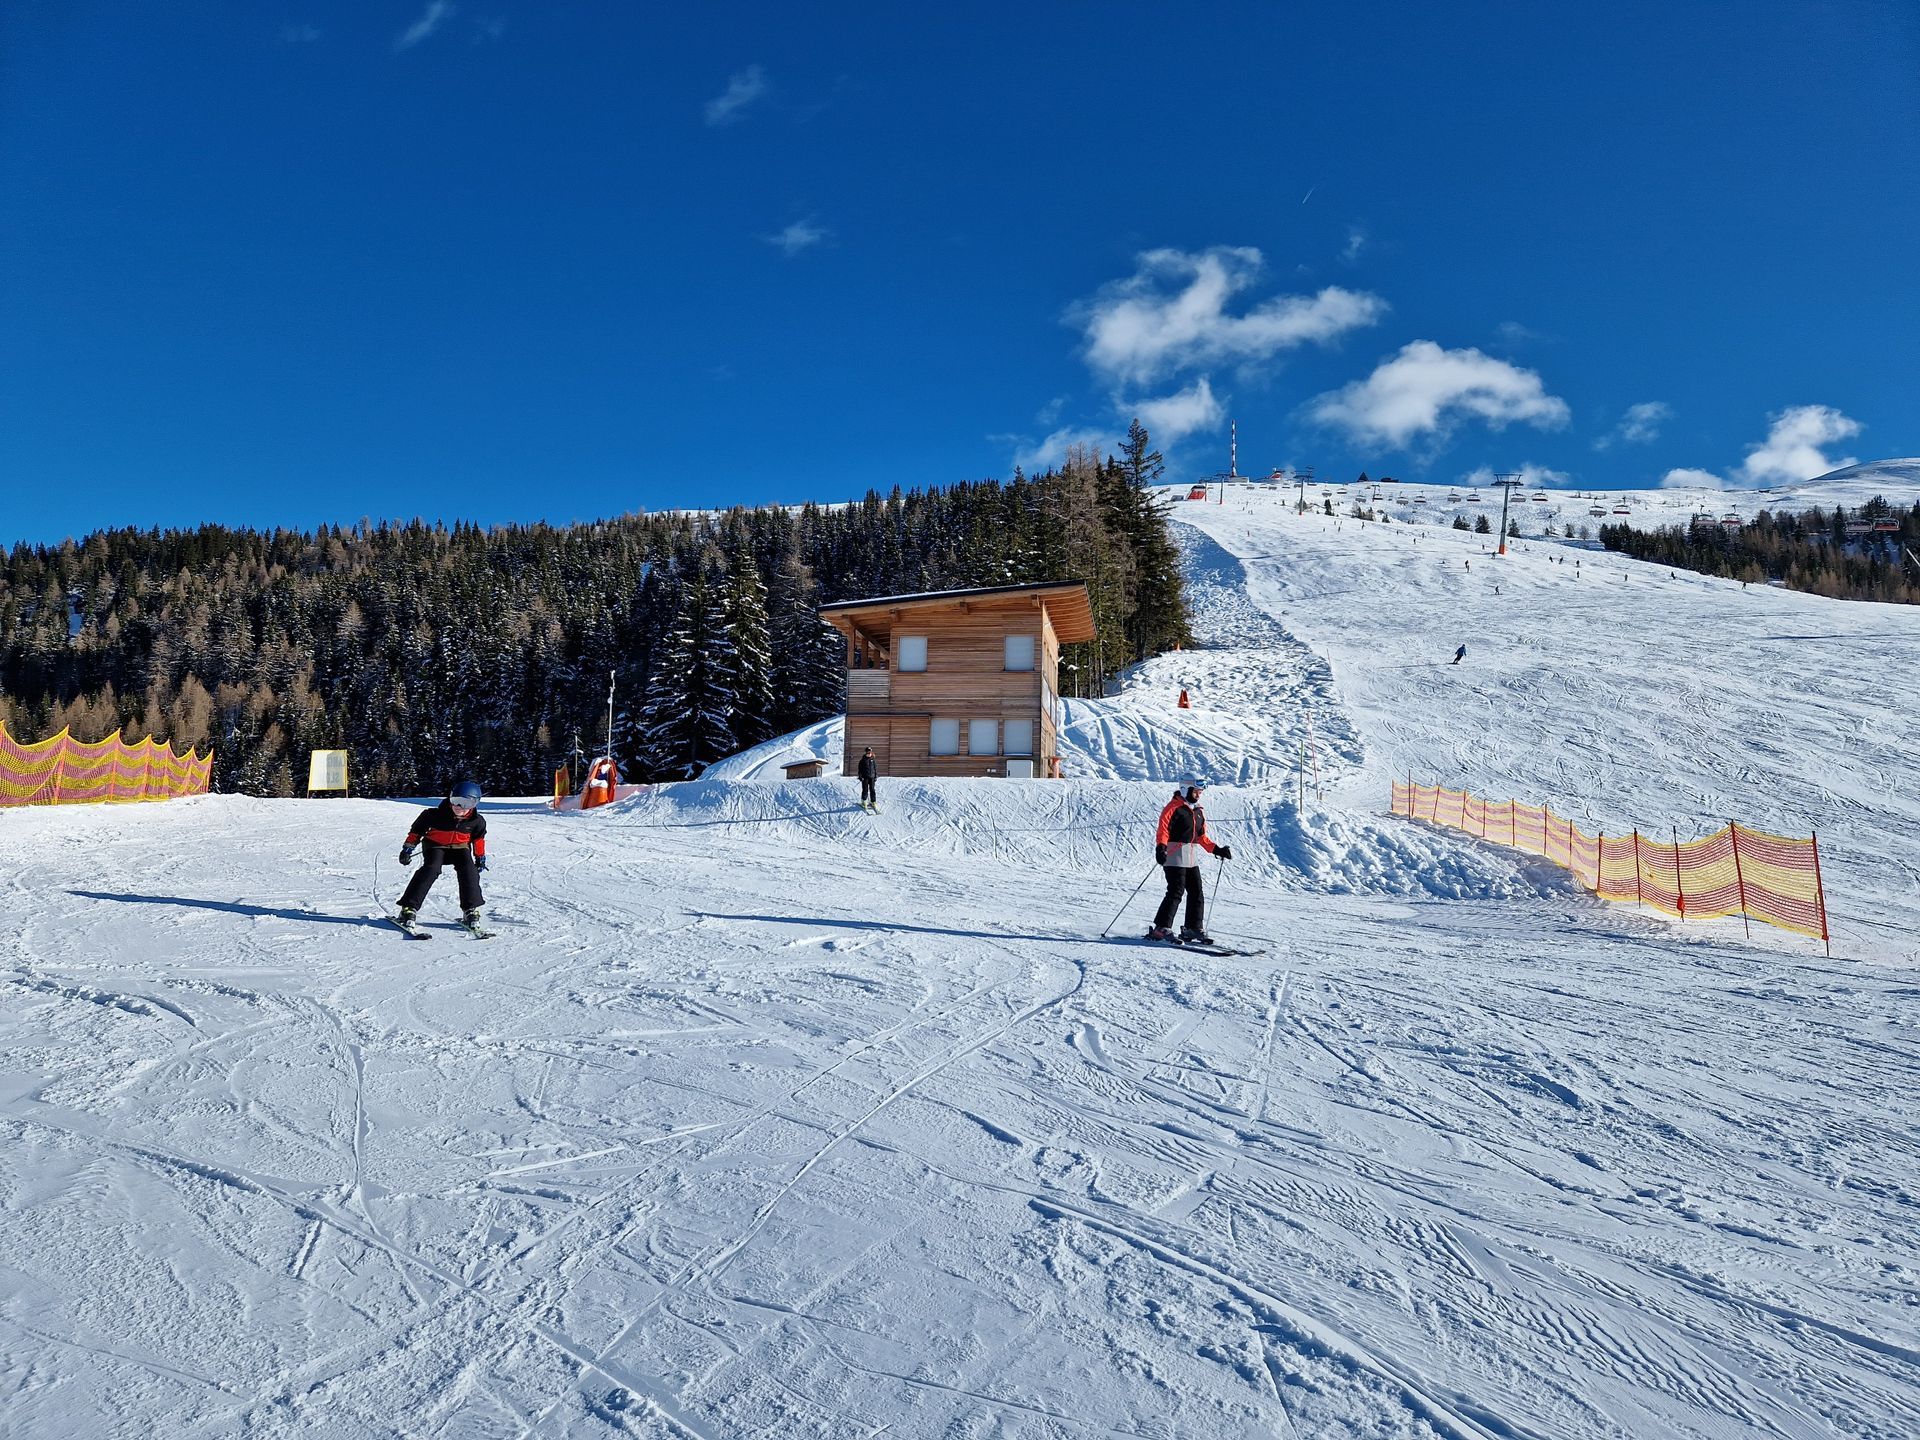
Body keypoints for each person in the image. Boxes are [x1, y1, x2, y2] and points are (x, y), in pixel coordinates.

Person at [1148, 781, 1231, 944]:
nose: (1198, 795)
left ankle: (1193, 928)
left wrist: (1217, 849)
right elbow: (1163, 830)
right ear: (1186, 789)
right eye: (1195, 792)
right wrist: (1161, 848)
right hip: (1174, 854)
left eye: (1200, 792)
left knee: (1196, 891)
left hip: (1191, 856)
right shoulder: (1173, 807)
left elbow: (1201, 837)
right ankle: (1161, 928)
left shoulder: (1198, 810)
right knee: (1176, 890)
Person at [397, 780, 488, 928]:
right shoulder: (432, 815)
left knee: (469, 870)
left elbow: (478, 840)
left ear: (475, 804)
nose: (459, 807)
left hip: (460, 848)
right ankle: (409, 908)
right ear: (450, 798)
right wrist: (407, 849)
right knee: (431, 869)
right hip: (435, 846)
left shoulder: (477, 821)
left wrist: (480, 858)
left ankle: (470, 910)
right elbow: (416, 832)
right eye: (456, 800)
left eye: (466, 803)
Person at [857, 746, 879, 811]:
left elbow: (875, 768)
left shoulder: (873, 760)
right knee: (865, 790)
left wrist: (876, 776)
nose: (869, 754)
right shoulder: (862, 760)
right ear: (865, 753)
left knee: (872, 790)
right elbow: (860, 770)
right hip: (865, 778)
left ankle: (873, 801)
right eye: (867, 752)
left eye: (870, 752)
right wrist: (860, 777)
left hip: (872, 778)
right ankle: (864, 801)